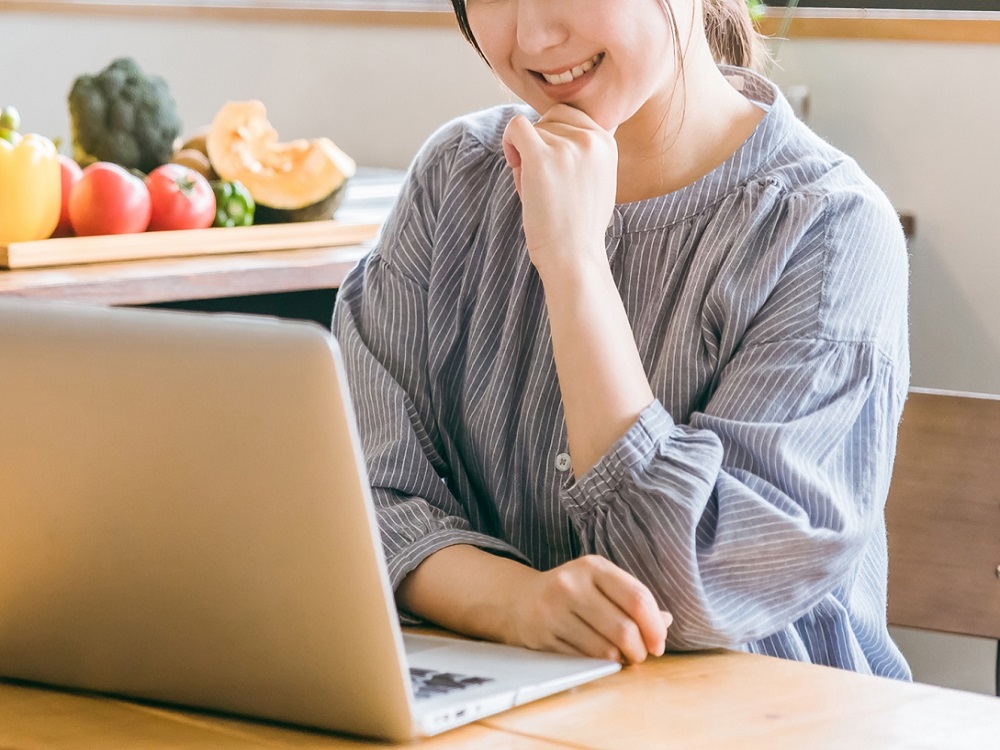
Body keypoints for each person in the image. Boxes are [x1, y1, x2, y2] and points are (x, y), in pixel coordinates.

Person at [333, 0, 911, 679]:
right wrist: (516, 604)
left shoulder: (828, 230)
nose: (533, 37)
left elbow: (686, 588)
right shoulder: (455, 181)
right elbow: (352, 494)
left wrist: (574, 259)